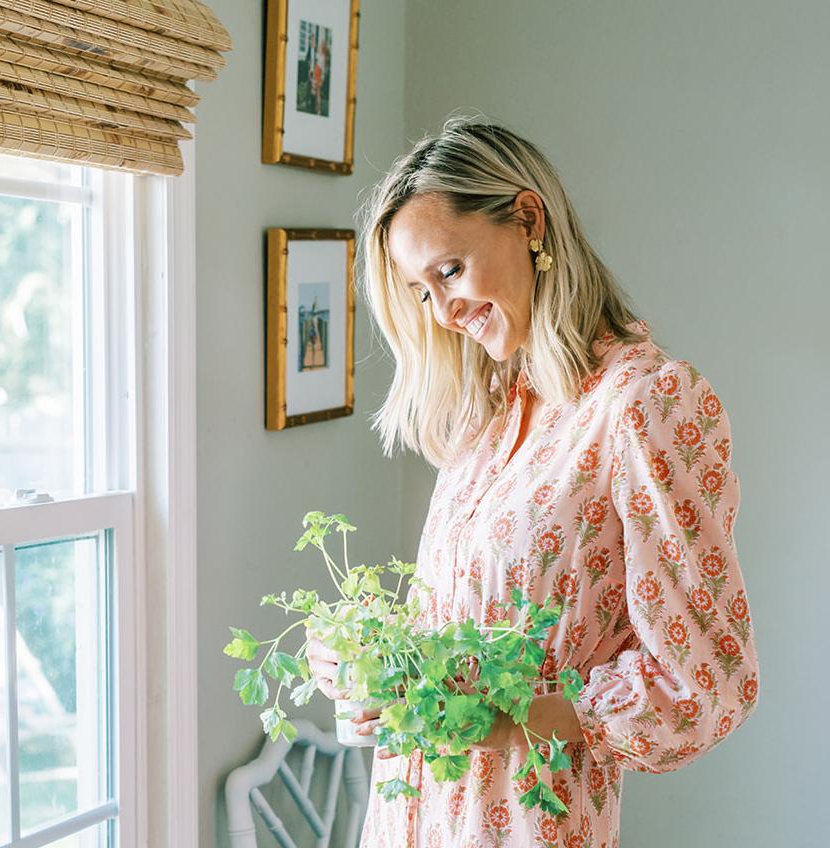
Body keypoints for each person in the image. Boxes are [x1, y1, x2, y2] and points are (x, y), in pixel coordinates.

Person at [306, 115, 760, 847]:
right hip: (409, 821)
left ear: (526, 218)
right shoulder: (487, 415)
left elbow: (705, 681)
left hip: (527, 826)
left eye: (449, 270)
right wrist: (375, 672)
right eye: (422, 292)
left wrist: (504, 723)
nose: (444, 312)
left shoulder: (644, 404)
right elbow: (464, 632)